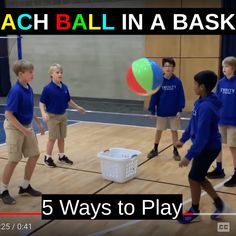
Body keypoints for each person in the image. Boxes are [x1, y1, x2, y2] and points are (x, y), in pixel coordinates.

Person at [176, 70, 227, 224]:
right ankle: (219, 203)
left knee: (193, 177)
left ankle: (195, 211)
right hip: (206, 146)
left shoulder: (206, 108)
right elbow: (193, 123)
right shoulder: (200, 102)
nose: (193, 86)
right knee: (198, 177)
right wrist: (183, 139)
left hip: (208, 148)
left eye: (195, 84)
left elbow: (202, 139)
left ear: (202, 87)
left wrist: (188, 156)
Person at [0, 59, 44, 205]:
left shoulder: (28, 87)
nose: (33, 74)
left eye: (32, 71)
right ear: (21, 74)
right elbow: (8, 115)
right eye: (30, 72)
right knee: (14, 160)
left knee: (34, 154)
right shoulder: (16, 91)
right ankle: (3, 190)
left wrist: (37, 122)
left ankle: (25, 186)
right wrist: (23, 130)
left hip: (26, 126)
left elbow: (28, 108)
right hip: (14, 127)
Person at [39, 63, 86, 168]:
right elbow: (41, 102)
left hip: (63, 115)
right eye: (57, 72)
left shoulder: (64, 87)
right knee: (52, 138)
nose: (60, 74)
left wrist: (78, 107)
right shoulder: (47, 88)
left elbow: (68, 100)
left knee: (61, 137)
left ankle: (61, 156)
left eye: (61, 72)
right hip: (52, 117)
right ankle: (47, 157)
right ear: (51, 74)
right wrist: (43, 113)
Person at [147, 57, 185, 161]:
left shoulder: (177, 82)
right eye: (166, 66)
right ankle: (155, 149)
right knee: (159, 130)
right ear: (163, 68)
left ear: (173, 68)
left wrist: (179, 110)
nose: (168, 68)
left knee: (174, 131)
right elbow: (154, 96)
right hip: (161, 112)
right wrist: (152, 110)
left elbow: (180, 96)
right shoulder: (159, 81)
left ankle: (175, 151)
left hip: (173, 112)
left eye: (170, 66)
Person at [207, 56, 236, 187]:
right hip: (221, 120)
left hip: (234, 122)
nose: (224, 68)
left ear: (233, 68)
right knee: (218, 145)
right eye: (223, 66)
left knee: (233, 147)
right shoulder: (221, 83)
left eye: (227, 66)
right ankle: (219, 169)